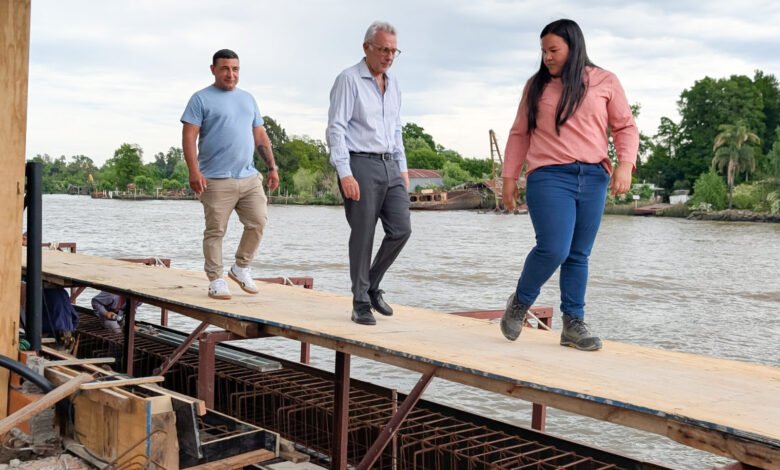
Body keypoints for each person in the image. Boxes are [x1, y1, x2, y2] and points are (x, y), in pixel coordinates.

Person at [500, 19, 638, 351]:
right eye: (543, 51)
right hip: (549, 176)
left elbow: (625, 127)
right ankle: (520, 302)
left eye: (554, 50)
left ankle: (573, 323)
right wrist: (508, 178)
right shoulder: (536, 86)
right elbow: (520, 133)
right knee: (554, 247)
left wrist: (625, 165)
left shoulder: (605, 81)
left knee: (578, 254)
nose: (547, 57)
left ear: (573, 47)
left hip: (593, 177)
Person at [326, 21, 412, 326]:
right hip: (360, 163)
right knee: (363, 235)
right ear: (367, 48)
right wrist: (345, 172)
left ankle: (372, 285)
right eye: (383, 49)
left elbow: (396, 129)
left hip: (390, 164)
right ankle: (360, 301)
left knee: (401, 229)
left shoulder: (394, 84)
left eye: (393, 50)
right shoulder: (349, 80)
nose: (388, 56)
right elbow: (336, 128)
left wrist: (402, 169)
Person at [182, 49, 279, 300]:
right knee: (215, 231)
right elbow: (189, 136)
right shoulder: (200, 99)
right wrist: (194, 171)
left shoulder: (248, 99)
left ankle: (241, 267)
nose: (231, 74)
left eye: (235, 69)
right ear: (213, 69)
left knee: (258, 222)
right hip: (215, 179)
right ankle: (216, 279)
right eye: (225, 68)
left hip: (248, 177)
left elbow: (259, 134)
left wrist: (272, 167)